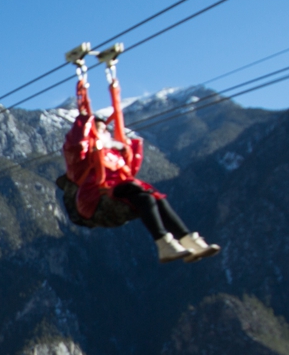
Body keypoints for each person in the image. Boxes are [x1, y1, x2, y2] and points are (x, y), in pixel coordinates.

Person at [55, 44, 220, 263]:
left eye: (105, 127)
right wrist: (85, 116)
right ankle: (164, 242)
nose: (104, 130)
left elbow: (130, 167)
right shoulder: (84, 158)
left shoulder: (114, 153)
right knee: (142, 195)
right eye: (100, 128)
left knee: (153, 197)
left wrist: (122, 144)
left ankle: (187, 239)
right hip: (95, 202)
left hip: (117, 197)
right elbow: (76, 143)